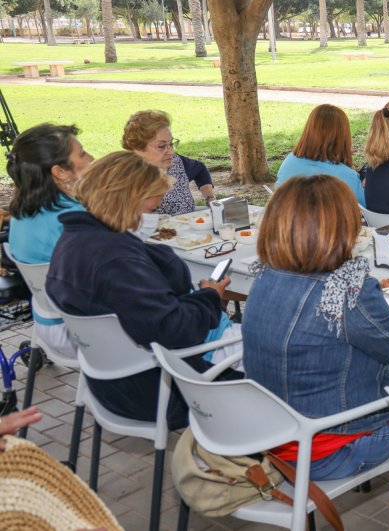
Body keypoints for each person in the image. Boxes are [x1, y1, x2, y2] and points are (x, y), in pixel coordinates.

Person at [45, 151, 238, 429]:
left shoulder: (73, 241)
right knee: (278, 360)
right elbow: (173, 329)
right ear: (126, 200)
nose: (154, 218)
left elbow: (145, 313)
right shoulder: (116, 260)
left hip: (113, 384)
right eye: (151, 210)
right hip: (160, 390)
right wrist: (209, 297)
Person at [241, 175, 389, 490]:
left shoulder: (264, 275)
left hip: (271, 439)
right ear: (343, 228)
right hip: (328, 449)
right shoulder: (347, 290)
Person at [5, 124, 94, 359]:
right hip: (83, 333)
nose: (91, 158)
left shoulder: (21, 212)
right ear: (60, 172)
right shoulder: (74, 219)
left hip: (46, 321)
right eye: (83, 153)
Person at [123, 110, 214, 216]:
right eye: (161, 146)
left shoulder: (176, 162)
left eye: (171, 144)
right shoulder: (124, 179)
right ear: (138, 149)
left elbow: (200, 169)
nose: (171, 152)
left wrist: (210, 198)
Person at [276, 104, 365, 206]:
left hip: (285, 214)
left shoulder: (290, 161)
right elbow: (366, 207)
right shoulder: (346, 176)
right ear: (343, 137)